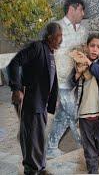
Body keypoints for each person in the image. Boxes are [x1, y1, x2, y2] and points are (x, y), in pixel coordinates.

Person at [7, 22, 62, 174]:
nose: (61, 39)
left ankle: (40, 168)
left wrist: (54, 98)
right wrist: (16, 88)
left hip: (41, 104)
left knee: (38, 138)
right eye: (59, 36)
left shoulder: (49, 52)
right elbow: (13, 63)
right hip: (31, 101)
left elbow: (51, 77)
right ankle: (31, 170)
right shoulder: (37, 47)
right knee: (31, 138)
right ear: (51, 36)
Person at [47, 0, 88, 158]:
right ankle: (87, 147)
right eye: (81, 9)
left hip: (74, 80)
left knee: (63, 115)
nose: (83, 13)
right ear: (72, 9)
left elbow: (82, 53)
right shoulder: (56, 27)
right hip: (60, 81)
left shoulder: (82, 31)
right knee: (72, 114)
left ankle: (51, 147)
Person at [69, 33, 99, 174]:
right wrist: (76, 75)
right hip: (84, 113)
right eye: (92, 46)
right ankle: (93, 170)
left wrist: (89, 63)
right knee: (89, 148)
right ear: (87, 47)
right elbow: (70, 83)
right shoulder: (78, 62)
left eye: (98, 47)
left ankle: (93, 157)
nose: (94, 49)